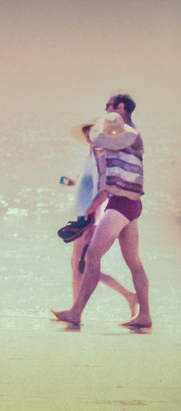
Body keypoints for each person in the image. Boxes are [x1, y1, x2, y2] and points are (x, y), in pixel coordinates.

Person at [52, 94, 151, 327]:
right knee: (134, 262)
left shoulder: (128, 134)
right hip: (130, 203)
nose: (106, 109)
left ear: (121, 107)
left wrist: (95, 210)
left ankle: (76, 311)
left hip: (122, 204)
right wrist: (96, 202)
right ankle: (145, 314)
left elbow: (113, 168)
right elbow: (113, 177)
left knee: (91, 256)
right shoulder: (126, 135)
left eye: (109, 105)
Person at [61, 122, 137, 316]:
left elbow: (101, 191)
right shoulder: (90, 157)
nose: (88, 137)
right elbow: (84, 183)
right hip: (82, 215)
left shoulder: (99, 159)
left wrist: (94, 222)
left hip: (87, 217)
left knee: (81, 265)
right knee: (79, 265)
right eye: (86, 135)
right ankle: (127, 295)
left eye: (91, 134)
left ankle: (75, 311)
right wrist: (70, 182)